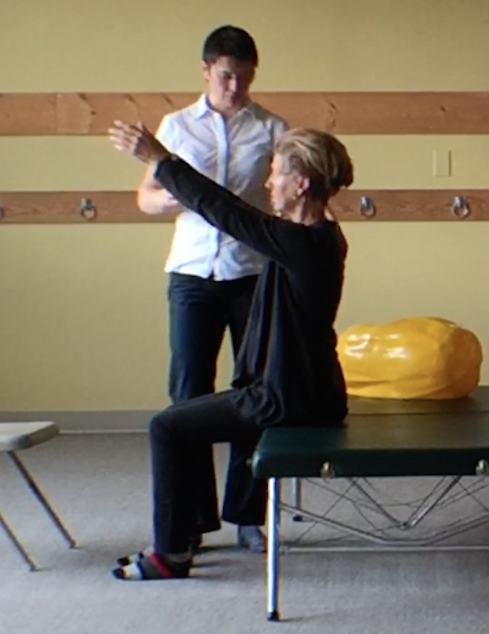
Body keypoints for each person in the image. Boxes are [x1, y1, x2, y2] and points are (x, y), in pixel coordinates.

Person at [107, 119, 354, 580]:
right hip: (305, 390)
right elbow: (236, 211)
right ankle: (179, 540)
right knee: (188, 418)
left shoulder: (303, 244)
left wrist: (160, 160)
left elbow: (226, 211)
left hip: (288, 398)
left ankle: (169, 553)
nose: (268, 182)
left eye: (277, 172)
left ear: (301, 184)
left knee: (167, 426)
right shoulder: (313, 237)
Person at [137, 25, 289, 552]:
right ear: (206, 72)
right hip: (192, 275)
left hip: (252, 273)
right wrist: (187, 195)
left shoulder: (272, 128)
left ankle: (249, 515)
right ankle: (195, 519)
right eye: (227, 76)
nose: (235, 87)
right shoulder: (175, 128)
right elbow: (147, 200)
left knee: (255, 394)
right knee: (188, 396)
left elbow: (282, 198)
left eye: (245, 78)